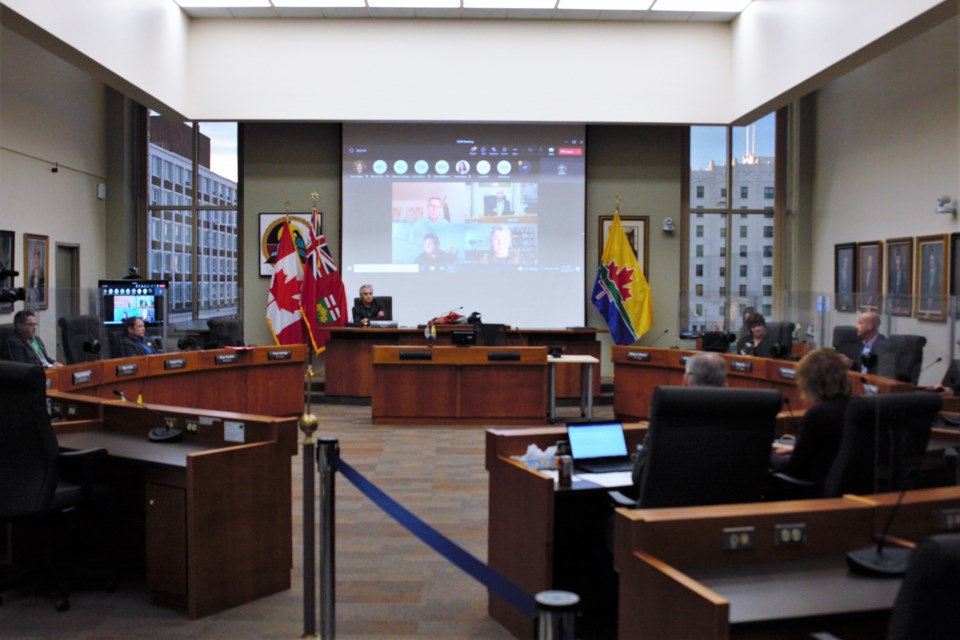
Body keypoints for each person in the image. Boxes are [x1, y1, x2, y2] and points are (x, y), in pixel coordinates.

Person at [770, 348, 852, 494]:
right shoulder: (854, 406)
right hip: (846, 489)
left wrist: (768, 452)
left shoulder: (818, 414)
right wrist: (794, 449)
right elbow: (832, 450)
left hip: (815, 492)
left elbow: (793, 469)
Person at [838, 311, 888, 375]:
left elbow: (884, 375)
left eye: (860, 323)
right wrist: (850, 363)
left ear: (870, 326)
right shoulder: (863, 344)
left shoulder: (884, 346)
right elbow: (863, 369)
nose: (856, 327)